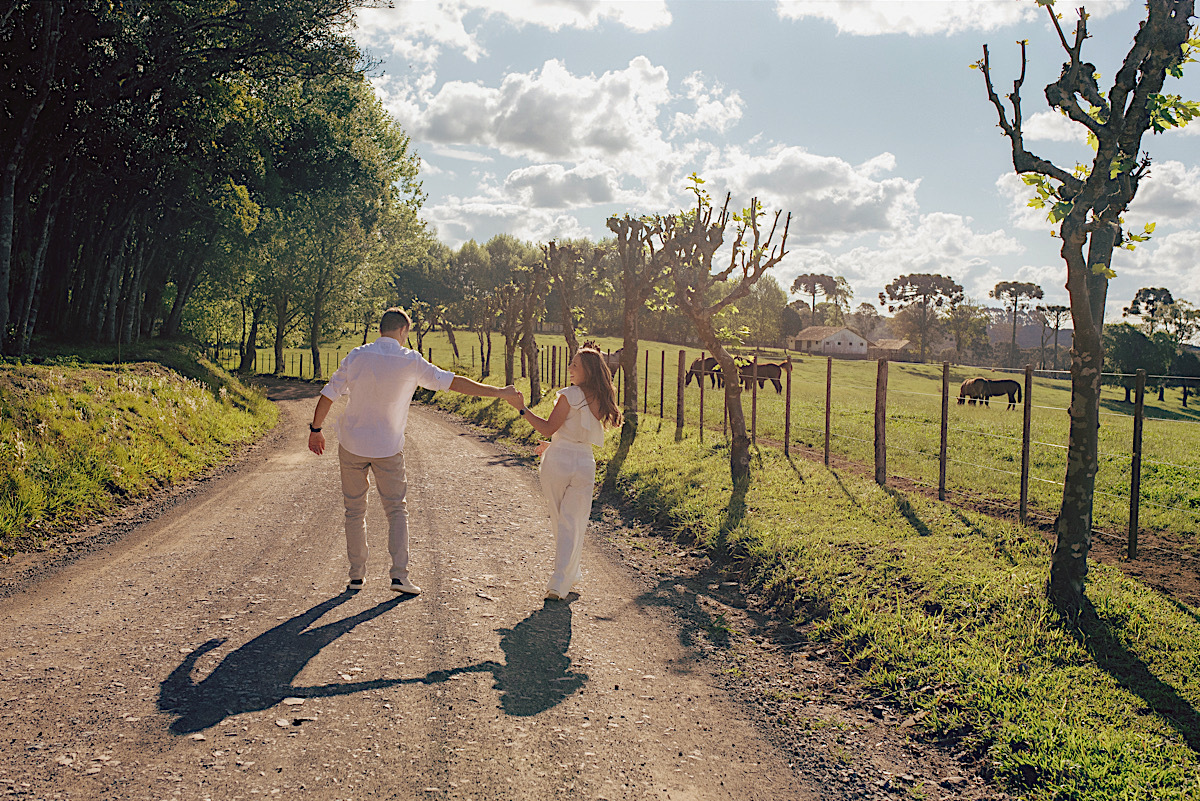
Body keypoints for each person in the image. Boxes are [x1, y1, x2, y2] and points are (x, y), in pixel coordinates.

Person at [308, 307, 519, 595]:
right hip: (387, 448)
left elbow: (329, 393)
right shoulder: (410, 361)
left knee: (354, 511)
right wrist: (499, 392)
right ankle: (399, 577)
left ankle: (356, 576)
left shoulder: (357, 356)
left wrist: (316, 429)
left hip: (353, 445)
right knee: (396, 509)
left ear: (381, 329)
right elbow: (452, 382)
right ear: (403, 331)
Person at [507, 342, 621, 600]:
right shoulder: (603, 398)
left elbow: (547, 428)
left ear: (588, 370)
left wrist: (522, 409)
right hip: (584, 462)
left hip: (559, 461)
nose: (570, 368)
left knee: (562, 522)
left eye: (575, 365)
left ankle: (560, 582)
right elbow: (578, 434)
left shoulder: (569, 394)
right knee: (575, 522)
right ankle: (569, 574)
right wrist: (553, 443)